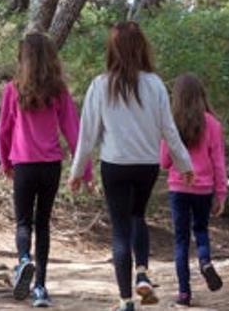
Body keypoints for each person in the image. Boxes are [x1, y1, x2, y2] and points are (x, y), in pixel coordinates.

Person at [69, 21, 194, 311]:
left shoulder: (101, 85)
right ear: (142, 48)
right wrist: (184, 164)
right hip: (146, 165)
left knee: (120, 230)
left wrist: (77, 172)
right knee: (138, 216)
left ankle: (126, 300)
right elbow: (169, 130)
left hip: (115, 164)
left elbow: (87, 134)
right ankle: (142, 272)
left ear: (112, 49)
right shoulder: (155, 84)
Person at [0, 33, 91, 308]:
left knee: (23, 222)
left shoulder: (14, 89)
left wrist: (5, 162)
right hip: (50, 166)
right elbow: (74, 131)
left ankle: (24, 260)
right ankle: (40, 289)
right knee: (43, 224)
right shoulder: (58, 90)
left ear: (23, 58)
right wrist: (84, 170)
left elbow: (3, 131)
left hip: (23, 164)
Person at [159, 74, 228, 307]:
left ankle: (184, 293)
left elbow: (164, 162)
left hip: (179, 187)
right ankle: (206, 261)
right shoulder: (213, 125)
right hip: (203, 188)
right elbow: (218, 162)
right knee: (201, 231)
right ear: (201, 96)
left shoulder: (171, 123)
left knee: (180, 240)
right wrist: (221, 194)